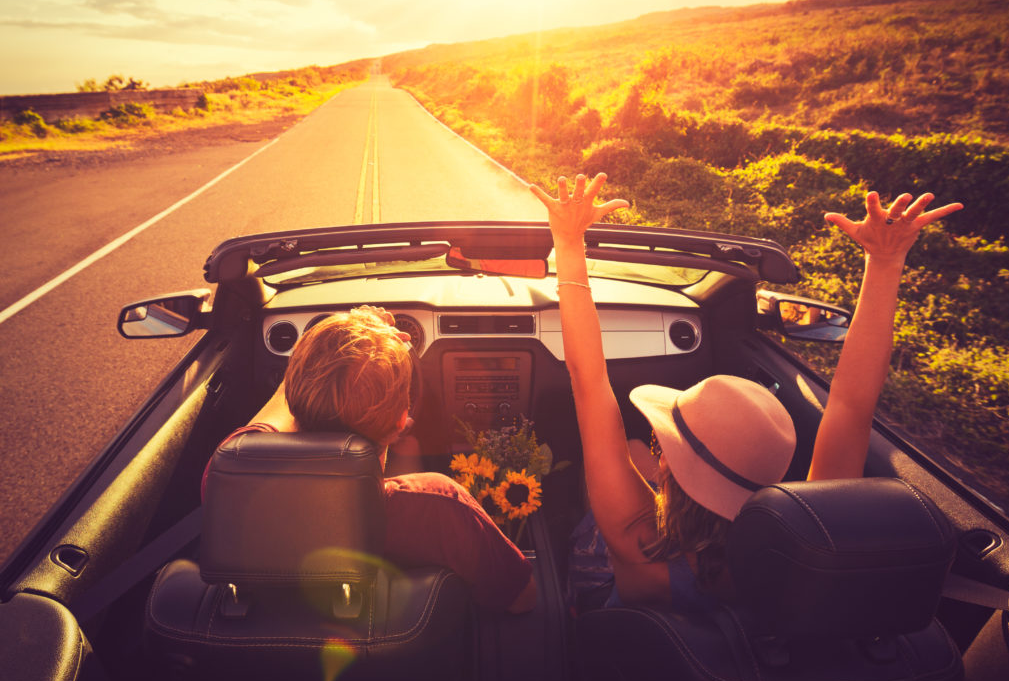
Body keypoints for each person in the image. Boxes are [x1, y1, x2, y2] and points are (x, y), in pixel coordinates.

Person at [529, 172, 962, 610]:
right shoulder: (805, 543)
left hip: (622, 634)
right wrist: (886, 265)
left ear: (673, 468)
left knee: (623, 454)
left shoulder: (639, 539)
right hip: (706, 656)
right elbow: (851, 406)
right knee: (632, 451)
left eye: (667, 443)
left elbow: (589, 379)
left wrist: (567, 243)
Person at [203, 305, 537, 614]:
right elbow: (522, 599)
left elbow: (275, 414)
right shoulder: (437, 505)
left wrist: (333, 341)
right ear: (402, 418)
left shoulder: (230, 478)